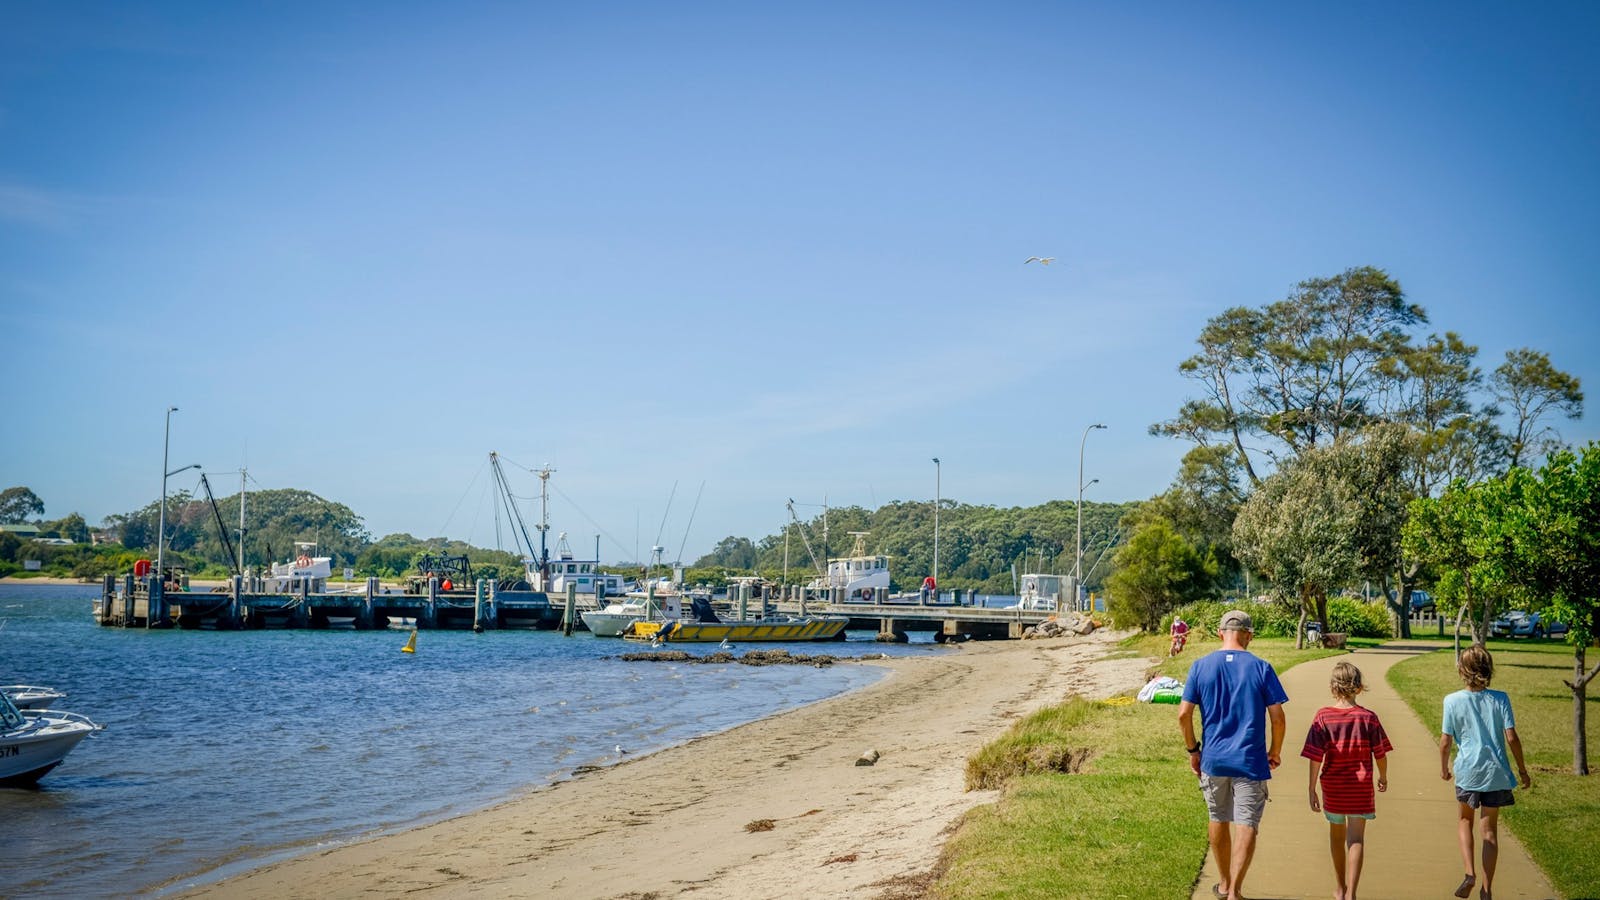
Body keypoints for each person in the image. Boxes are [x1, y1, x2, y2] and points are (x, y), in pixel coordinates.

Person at [1177, 610, 1288, 900]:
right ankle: (1235, 891)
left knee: (1218, 816)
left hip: (1213, 758)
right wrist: (1274, 751)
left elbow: (1183, 715)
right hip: (1250, 760)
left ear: (1219, 633)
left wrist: (1193, 750)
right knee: (1247, 822)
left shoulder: (1200, 666)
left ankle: (1224, 882)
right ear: (1249, 635)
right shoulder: (1261, 667)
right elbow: (1277, 717)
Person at [1440, 644, 1531, 900]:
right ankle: (1487, 890)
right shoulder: (1500, 698)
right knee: (1489, 831)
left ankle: (1469, 873)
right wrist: (1522, 770)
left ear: (1461, 670)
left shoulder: (1452, 700)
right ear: (1488, 669)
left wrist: (1444, 768)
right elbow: (1511, 737)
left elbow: (1445, 742)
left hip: (1468, 772)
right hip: (1497, 773)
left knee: (1464, 821)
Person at [1303, 661, 1392, 900]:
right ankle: (1352, 892)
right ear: (1359, 687)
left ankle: (1340, 887)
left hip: (1333, 786)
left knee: (1336, 835)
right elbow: (1380, 754)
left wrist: (1311, 789)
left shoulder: (1323, 717)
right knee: (1356, 838)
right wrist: (1383, 776)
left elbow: (1315, 757)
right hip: (1360, 788)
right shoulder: (1369, 719)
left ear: (1333, 687)